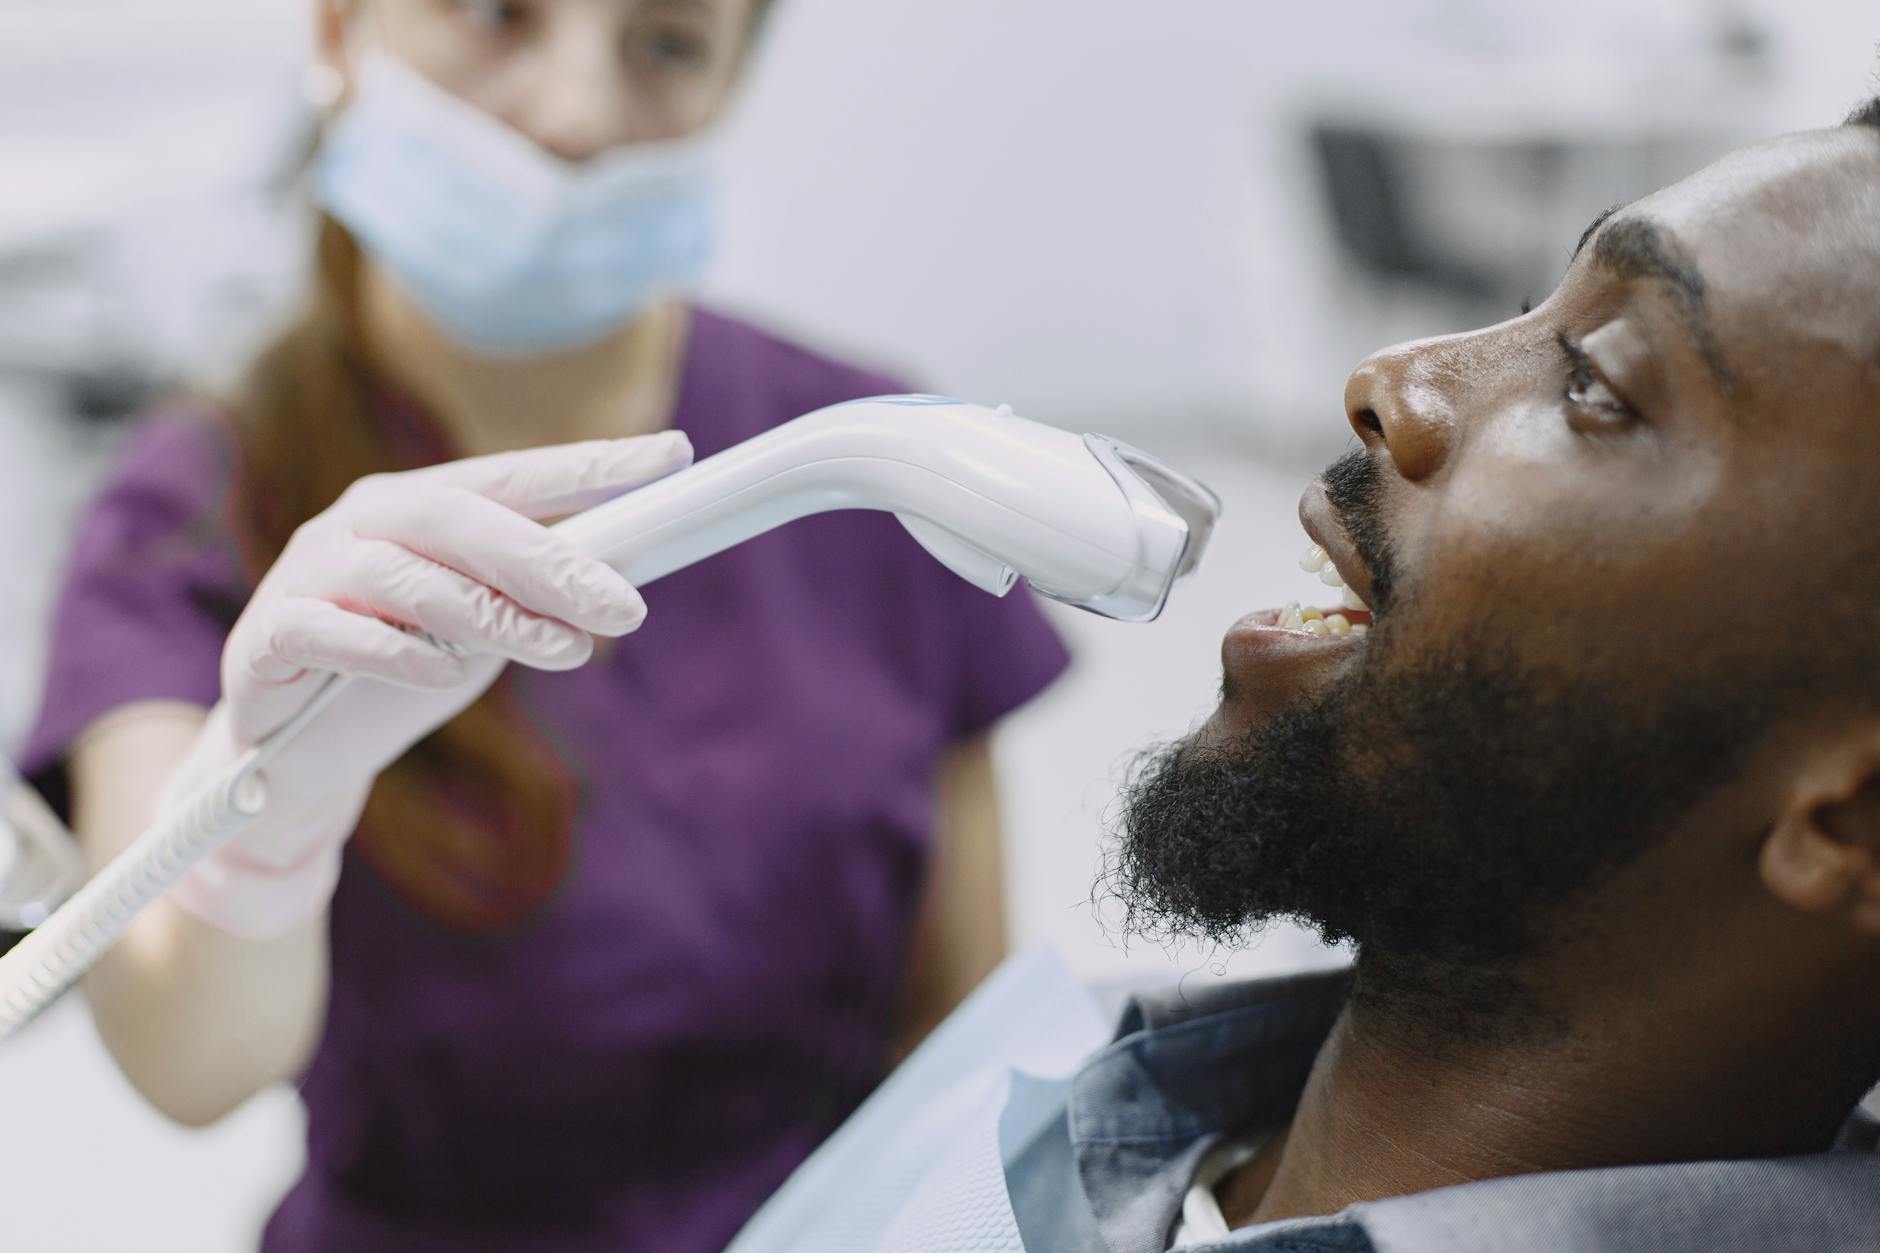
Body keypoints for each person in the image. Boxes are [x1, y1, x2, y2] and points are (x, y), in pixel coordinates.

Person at [738, 100, 1880, 1251]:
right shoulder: (1080, 1086)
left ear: (1852, 818)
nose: (1390, 378)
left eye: (1592, 381)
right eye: (1539, 304)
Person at [19, 2, 1066, 1250]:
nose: (575, 113)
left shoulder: (867, 459)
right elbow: (184, 1057)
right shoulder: (184, 514)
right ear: (343, 31)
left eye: (667, 44)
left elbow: (956, 1047)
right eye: (493, 13)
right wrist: (265, 821)